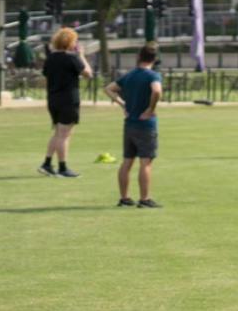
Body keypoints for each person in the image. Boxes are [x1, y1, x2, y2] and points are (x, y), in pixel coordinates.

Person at [105, 42, 162, 209]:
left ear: (139, 57)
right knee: (146, 162)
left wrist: (122, 104)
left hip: (129, 124)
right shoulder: (153, 76)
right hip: (146, 124)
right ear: (155, 59)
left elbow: (108, 89)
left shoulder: (129, 75)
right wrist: (151, 109)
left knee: (127, 162)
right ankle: (144, 199)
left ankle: (124, 198)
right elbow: (157, 91)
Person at [39, 27, 93, 178]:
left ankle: (47, 163)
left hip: (53, 99)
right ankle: (63, 168)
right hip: (68, 100)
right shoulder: (71, 58)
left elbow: (46, 75)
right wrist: (81, 55)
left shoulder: (50, 58)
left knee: (58, 132)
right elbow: (88, 74)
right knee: (64, 135)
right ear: (70, 42)